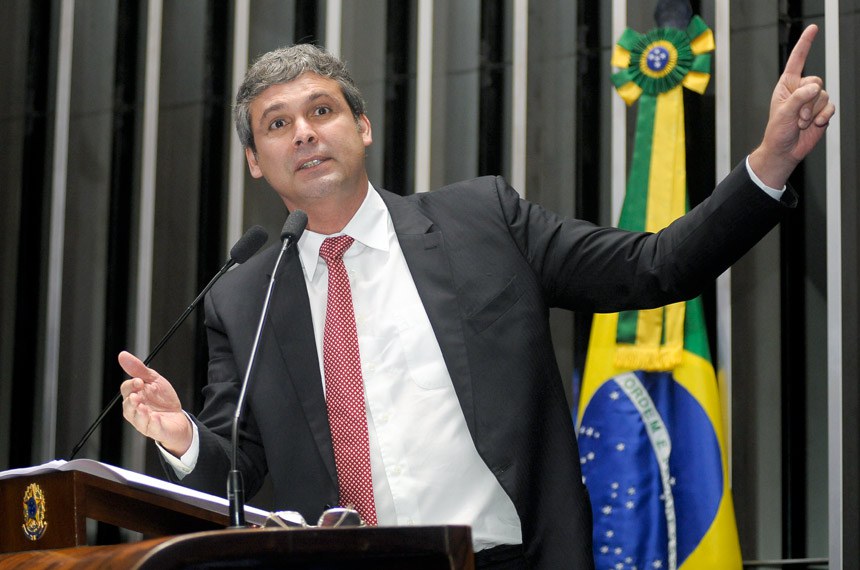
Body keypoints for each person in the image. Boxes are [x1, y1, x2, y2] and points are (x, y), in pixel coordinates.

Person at [119, 24, 834, 569]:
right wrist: (180, 435)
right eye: (277, 124)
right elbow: (234, 475)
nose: (303, 133)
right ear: (254, 160)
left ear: (362, 127)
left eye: (322, 110)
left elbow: (655, 267)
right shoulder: (243, 297)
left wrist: (767, 166)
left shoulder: (484, 222)